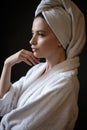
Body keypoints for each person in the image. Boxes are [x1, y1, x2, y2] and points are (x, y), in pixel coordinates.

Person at [0, 0, 86, 130]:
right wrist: (7, 64)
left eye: (40, 34)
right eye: (32, 33)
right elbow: (5, 105)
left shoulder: (64, 84)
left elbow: (23, 126)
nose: (31, 41)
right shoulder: (37, 70)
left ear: (60, 38)